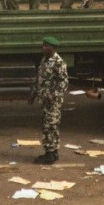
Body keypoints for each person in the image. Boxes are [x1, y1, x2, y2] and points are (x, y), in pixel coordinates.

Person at [29, 36, 68, 165]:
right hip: (44, 99)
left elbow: (64, 83)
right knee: (48, 126)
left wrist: (53, 95)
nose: (43, 48)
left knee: (51, 126)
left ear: (54, 48)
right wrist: (34, 94)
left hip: (53, 101)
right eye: (43, 45)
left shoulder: (58, 62)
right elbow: (41, 79)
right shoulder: (45, 60)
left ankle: (50, 154)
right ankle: (52, 152)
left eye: (47, 46)